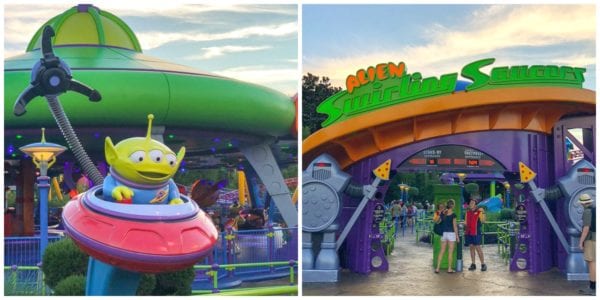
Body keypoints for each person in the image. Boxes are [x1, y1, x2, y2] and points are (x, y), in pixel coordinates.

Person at [435, 199, 458, 273]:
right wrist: (457, 236)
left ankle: (437, 268)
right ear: (453, 205)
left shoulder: (443, 212)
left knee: (441, 251)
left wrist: (440, 214)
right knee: (450, 252)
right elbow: (455, 226)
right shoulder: (453, 214)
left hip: (444, 234)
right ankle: (449, 269)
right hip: (451, 234)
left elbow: (437, 221)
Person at [578, 193, 595, 295]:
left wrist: (581, 242)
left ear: (583, 203)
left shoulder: (587, 212)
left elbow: (586, 228)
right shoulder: (595, 209)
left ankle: (593, 288)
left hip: (591, 240)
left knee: (592, 263)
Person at [465, 198, 487, 271]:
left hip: (476, 232)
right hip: (469, 232)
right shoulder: (467, 212)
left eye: (472, 203)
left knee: (478, 248)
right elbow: (466, 222)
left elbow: (483, 221)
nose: (471, 204)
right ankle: (473, 264)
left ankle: (483, 264)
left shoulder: (479, 212)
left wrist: (483, 213)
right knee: (471, 247)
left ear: (475, 204)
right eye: (470, 202)